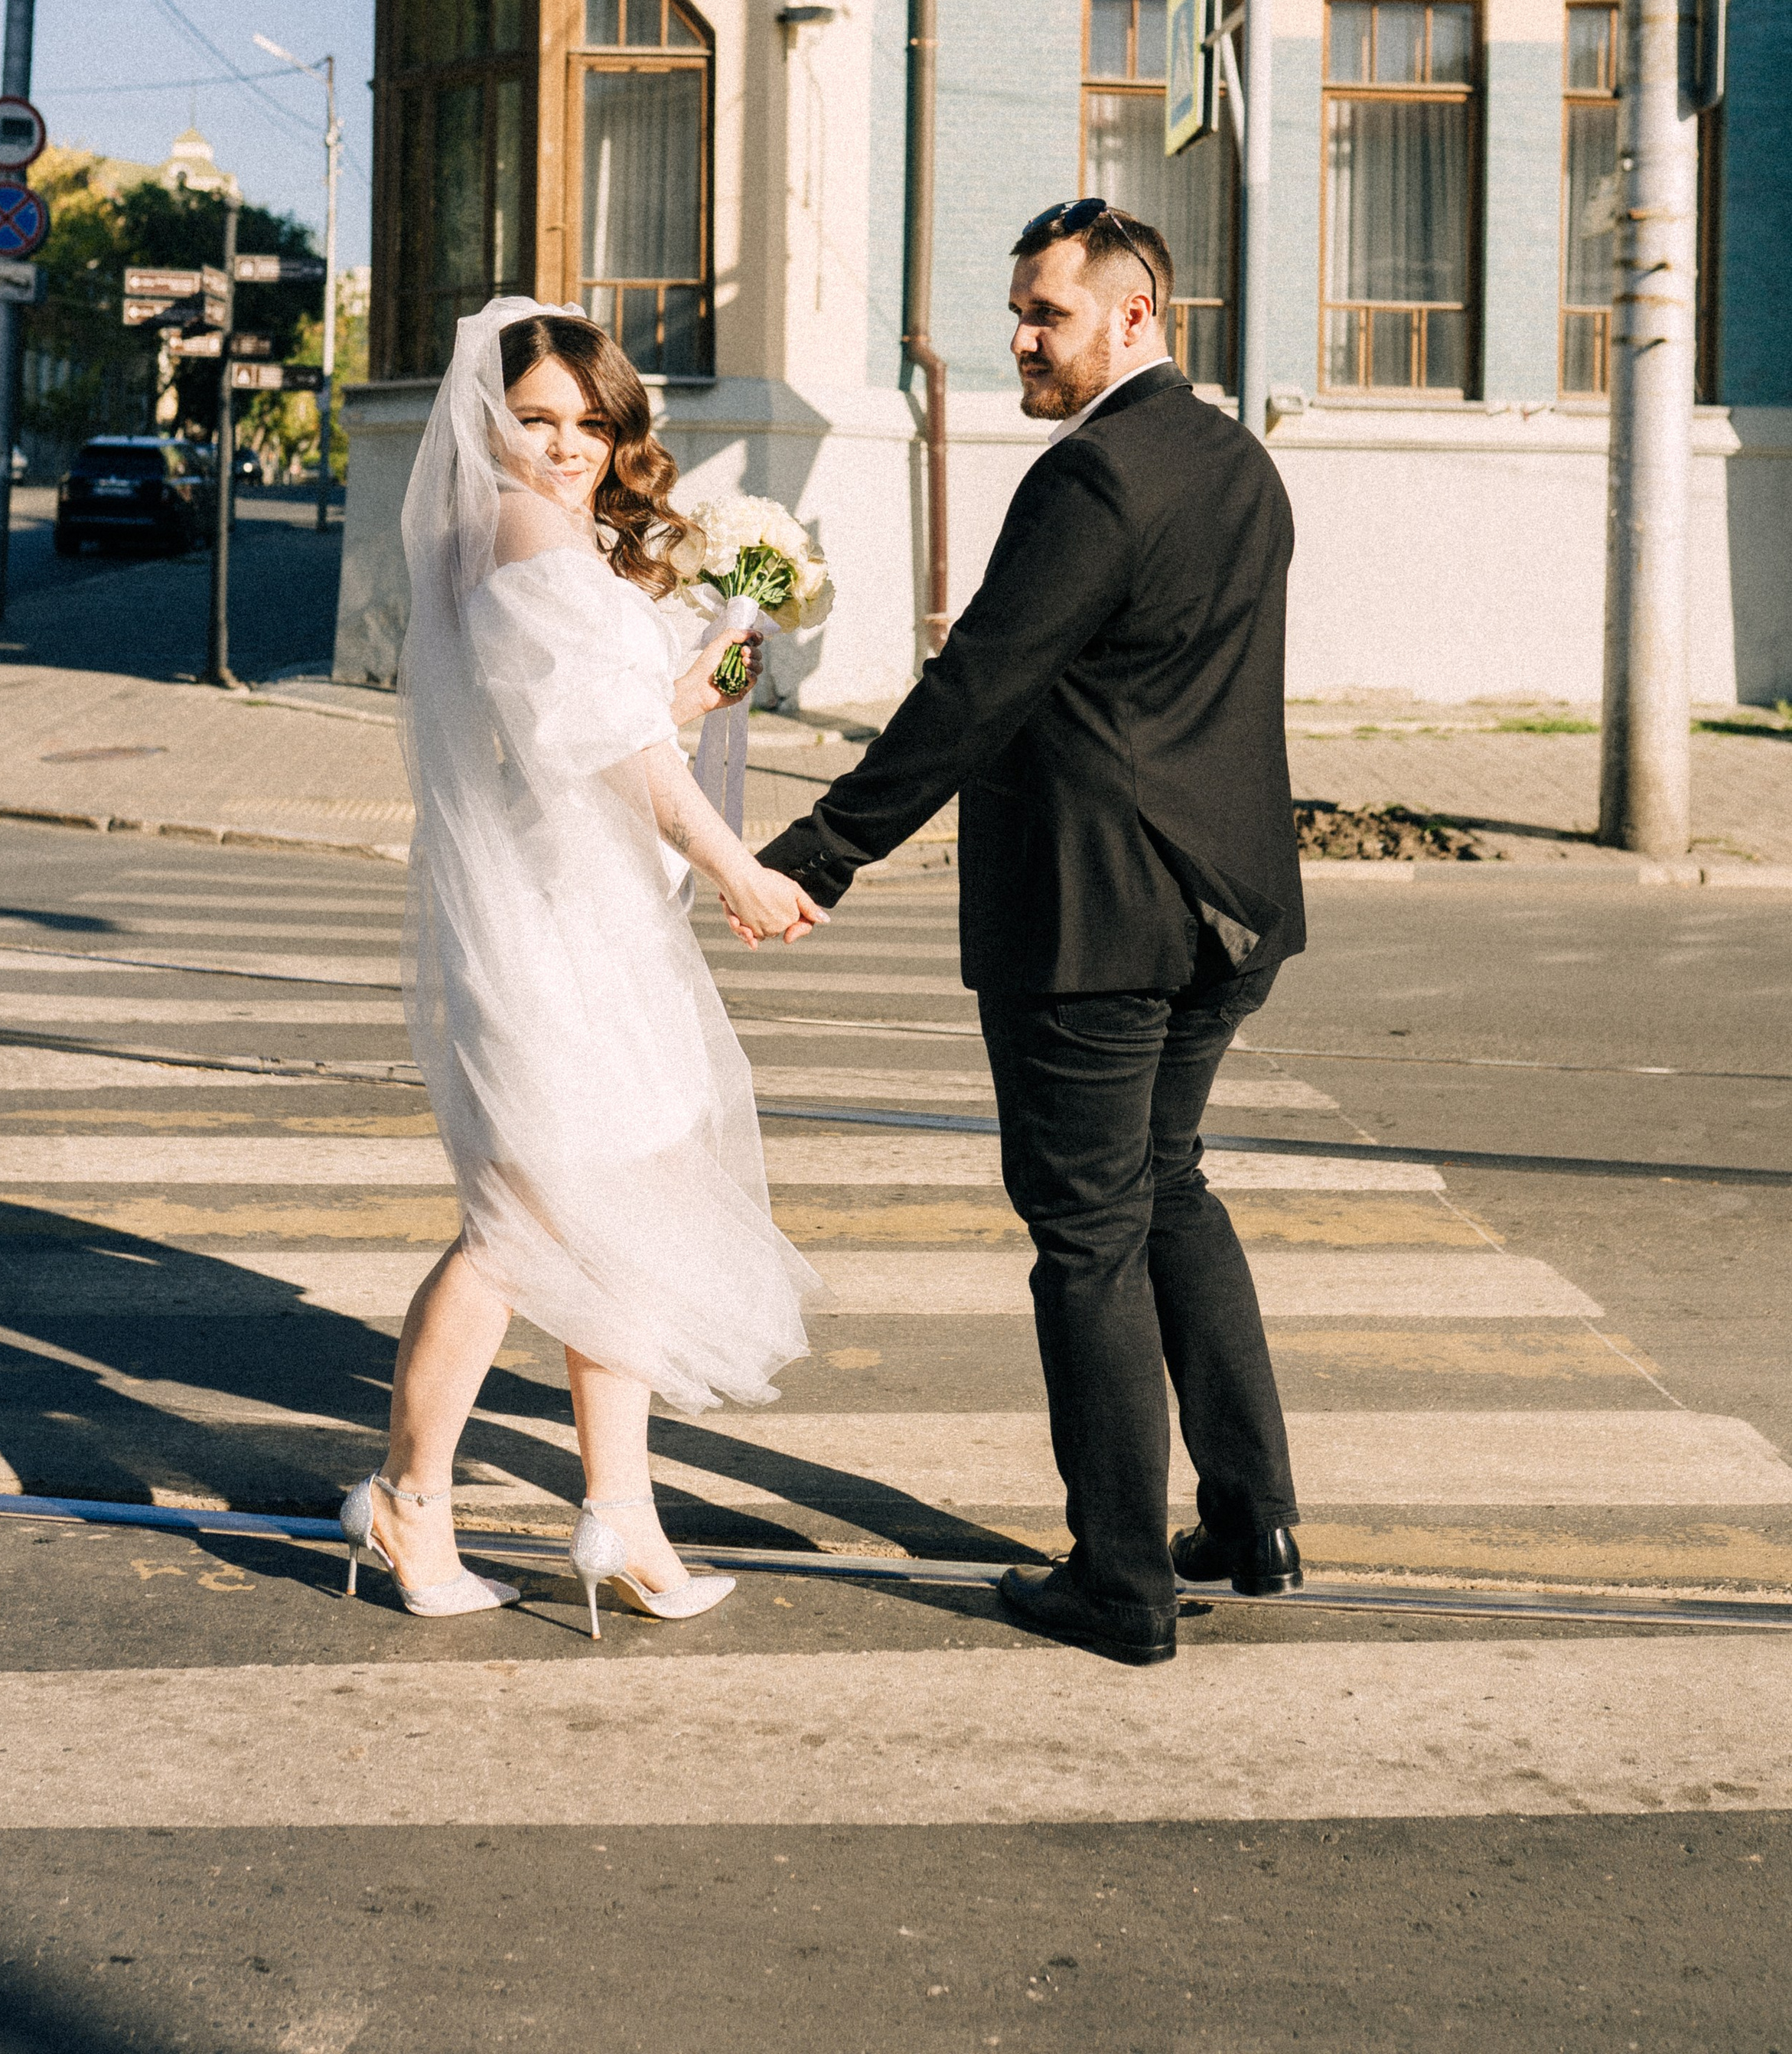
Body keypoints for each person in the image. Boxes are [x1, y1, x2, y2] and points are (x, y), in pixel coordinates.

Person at [760, 200, 1306, 1665]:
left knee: (1089, 1240)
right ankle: (1250, 1519)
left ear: (1134, 314)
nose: (1019, 338)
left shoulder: (1093, 477)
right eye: (1015, 311)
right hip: (1231, 910)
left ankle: (1120, 1581)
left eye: (1044, 314)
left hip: (1094, 923)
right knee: (1168, 1187)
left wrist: (826, 849)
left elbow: (977, 688)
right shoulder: (1239, 462)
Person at [342, 298, 829, 1632]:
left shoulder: (546, 538)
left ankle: (623, 1515)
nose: (565, 447)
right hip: (549, 925)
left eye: (590, 423)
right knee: (526, 1223)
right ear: (487, 423)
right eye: (535, 419)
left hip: (593, 916)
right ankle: (408, 1498)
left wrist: (694, 678)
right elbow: (607, 748)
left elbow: (598, 725)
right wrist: (735, 864)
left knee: (621, 1216)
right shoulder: (519, 529)